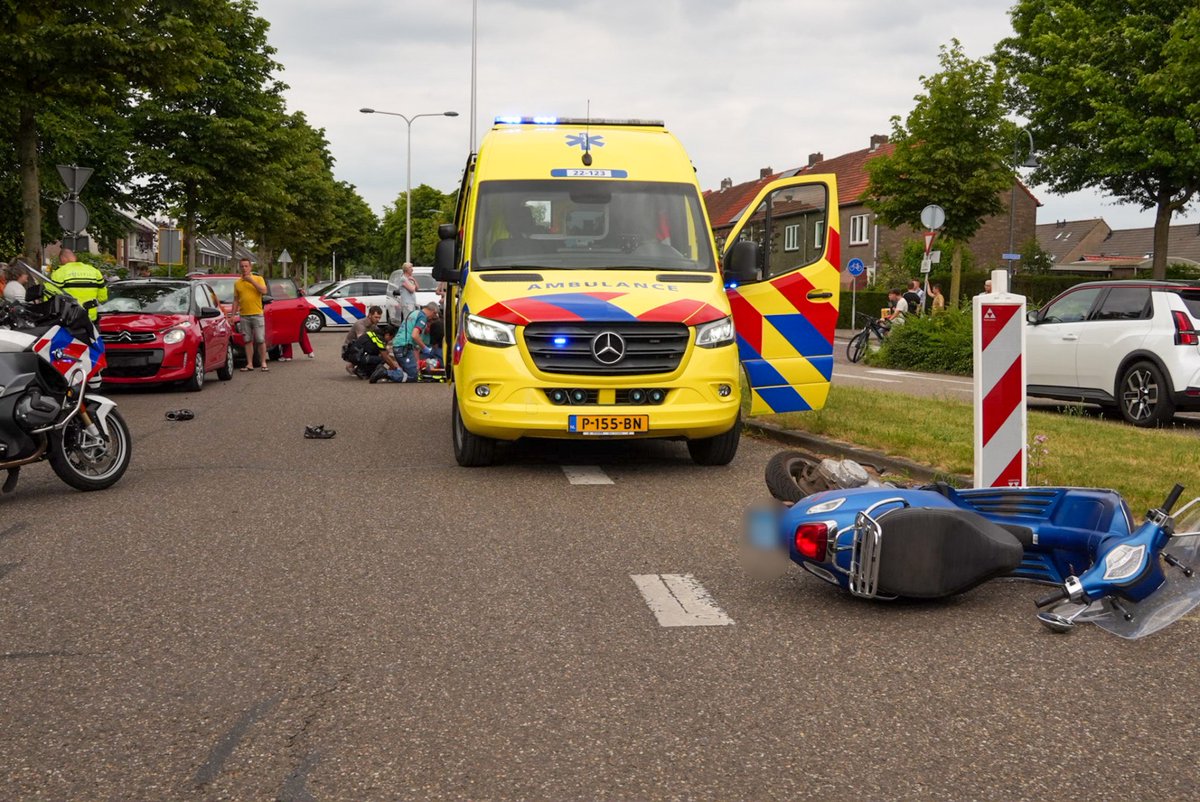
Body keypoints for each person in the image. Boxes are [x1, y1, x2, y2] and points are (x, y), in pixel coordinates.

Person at [50, 248, 107, 320]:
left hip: (69, 317)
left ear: (63, 258)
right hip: (90, 318)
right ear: (75, 258)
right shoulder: (94, 271)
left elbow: (50, 296)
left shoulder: (59, 273)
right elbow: (103, 298)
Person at [233, 258, 269, 371]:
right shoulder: (237, 283)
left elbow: (264, 291)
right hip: (244, 315)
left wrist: (251, 281)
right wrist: (232, 315)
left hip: (257, 314)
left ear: (250, 267)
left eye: (246, 266)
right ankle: (249, 364)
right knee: (247, 340)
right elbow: (236, 300)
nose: (244, 268)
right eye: (242, 266)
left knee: (260, 339)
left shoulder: (258, 279)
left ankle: (263, 362)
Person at [392, 301, 441, 382]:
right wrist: (424, 348)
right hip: (404, 346)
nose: (431, 318)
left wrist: (417, 362)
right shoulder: (422, 317)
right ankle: (385, 373)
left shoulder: (414, 313)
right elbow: (415, 335)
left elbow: (415, 346)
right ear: (433, 312)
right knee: (413, 376)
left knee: (411, 372)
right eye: (434, 315)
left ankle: (389, 372)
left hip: (399, 344)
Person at [342, 306, 383, 375]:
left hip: (357, 348)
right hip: (348, 350)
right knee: (373, 348)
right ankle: (353, 365)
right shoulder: (360, 324)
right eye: (376, 317)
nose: (378, 320)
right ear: (369, 315)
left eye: (379, 317)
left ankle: (365, 369)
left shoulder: (374, 326)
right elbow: (361, 340)